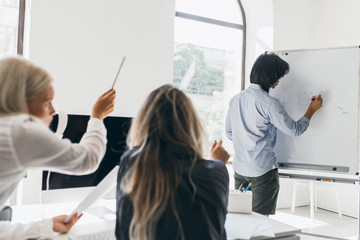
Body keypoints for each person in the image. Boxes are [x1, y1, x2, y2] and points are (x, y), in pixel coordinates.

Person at [0, 56, 116, 239]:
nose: (53, 111)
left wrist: (45, 226)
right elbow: (88, 160)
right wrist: (97, 117)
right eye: (47, 103)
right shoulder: (21, 131)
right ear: (21, 101)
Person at [115, 85, 230, 240]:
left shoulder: (131, 161)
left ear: (144, 123)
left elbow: (123, 231)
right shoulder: (216, 171)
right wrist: (218, 163)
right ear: (191, 126)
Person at [225, 52, 323, 216]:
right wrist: (311, 110)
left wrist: (247, 140)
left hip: (240, 170)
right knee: (261, 223)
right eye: (278, 77)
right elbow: (295, 130)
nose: (278, 81)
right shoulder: (269, 104)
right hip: (262, 172)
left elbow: (229, 133)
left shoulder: (236, 99)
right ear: (269, 76)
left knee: (242, 218)